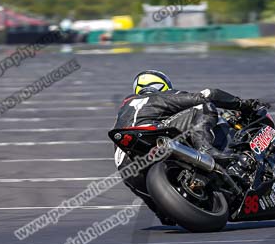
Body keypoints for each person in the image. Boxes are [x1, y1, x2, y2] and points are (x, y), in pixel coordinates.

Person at [112, 69, 264, 225]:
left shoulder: (127, 106)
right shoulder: (160, 96)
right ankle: (206, 149)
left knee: (163, 213)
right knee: (202, 106)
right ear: (161, 85)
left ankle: (163, 210)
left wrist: (161, 210)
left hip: (125, 163)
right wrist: (242, 104)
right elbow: (206, 95)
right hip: (152, 135)